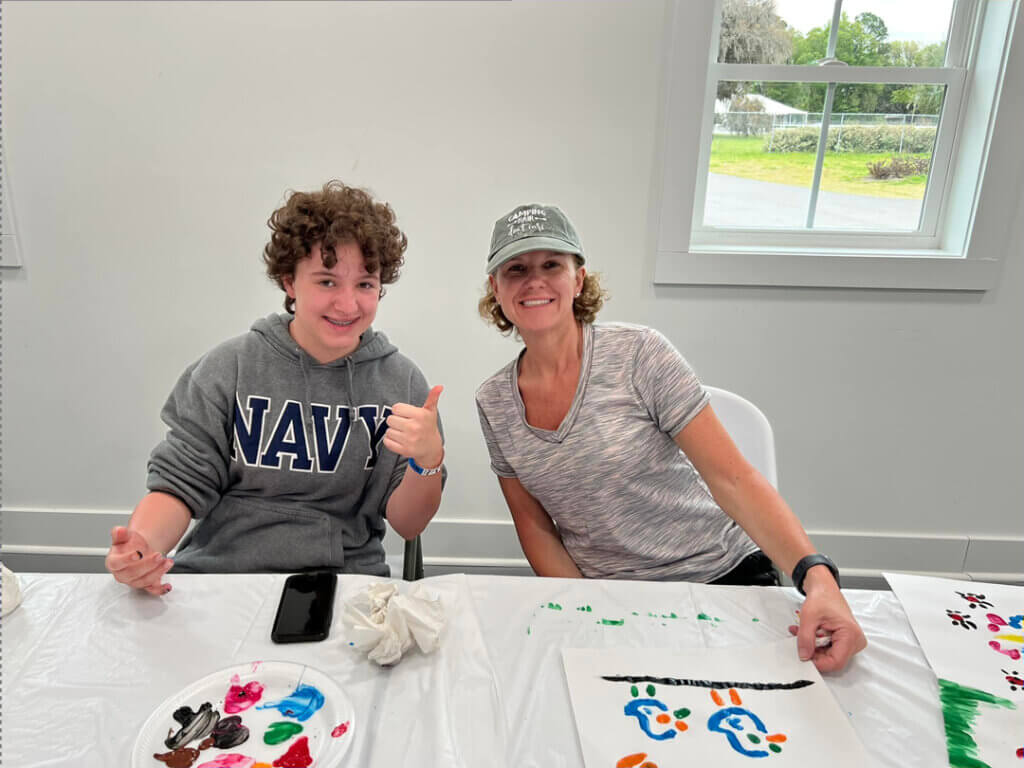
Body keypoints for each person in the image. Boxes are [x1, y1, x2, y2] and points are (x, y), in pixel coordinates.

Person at [474, 203, 866, 672]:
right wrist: (587, 610)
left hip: (719, 576)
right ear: (496, 289)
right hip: (610, 598)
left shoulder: (640, 353)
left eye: (552, 265)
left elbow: (734, 480)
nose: (534, 281)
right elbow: (534, 526)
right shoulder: (493, 400)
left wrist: (818, 579)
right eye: (516, 269)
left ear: (578, 279)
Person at [105, 181, 445, 594]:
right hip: (219, 577)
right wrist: (142, 548)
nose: (348, 304)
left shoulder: (402, 383)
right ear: (289, 281)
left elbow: (408, 523)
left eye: (365, 285)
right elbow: (179, 485)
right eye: (326, 282)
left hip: (343, 583)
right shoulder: (229, 367)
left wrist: (427, 461)